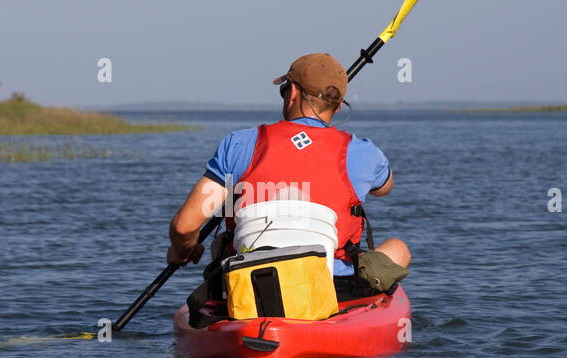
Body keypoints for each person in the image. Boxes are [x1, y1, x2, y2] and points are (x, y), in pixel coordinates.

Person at [167, 52, 410, 301]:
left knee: (220, 241)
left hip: (249, 288)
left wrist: (182, 250)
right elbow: (385, 187)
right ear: (338, 106)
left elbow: (184, 226)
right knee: (398, 249)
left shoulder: (239, 143)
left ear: (292, 92)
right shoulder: (364, 153)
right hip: (332, 289)